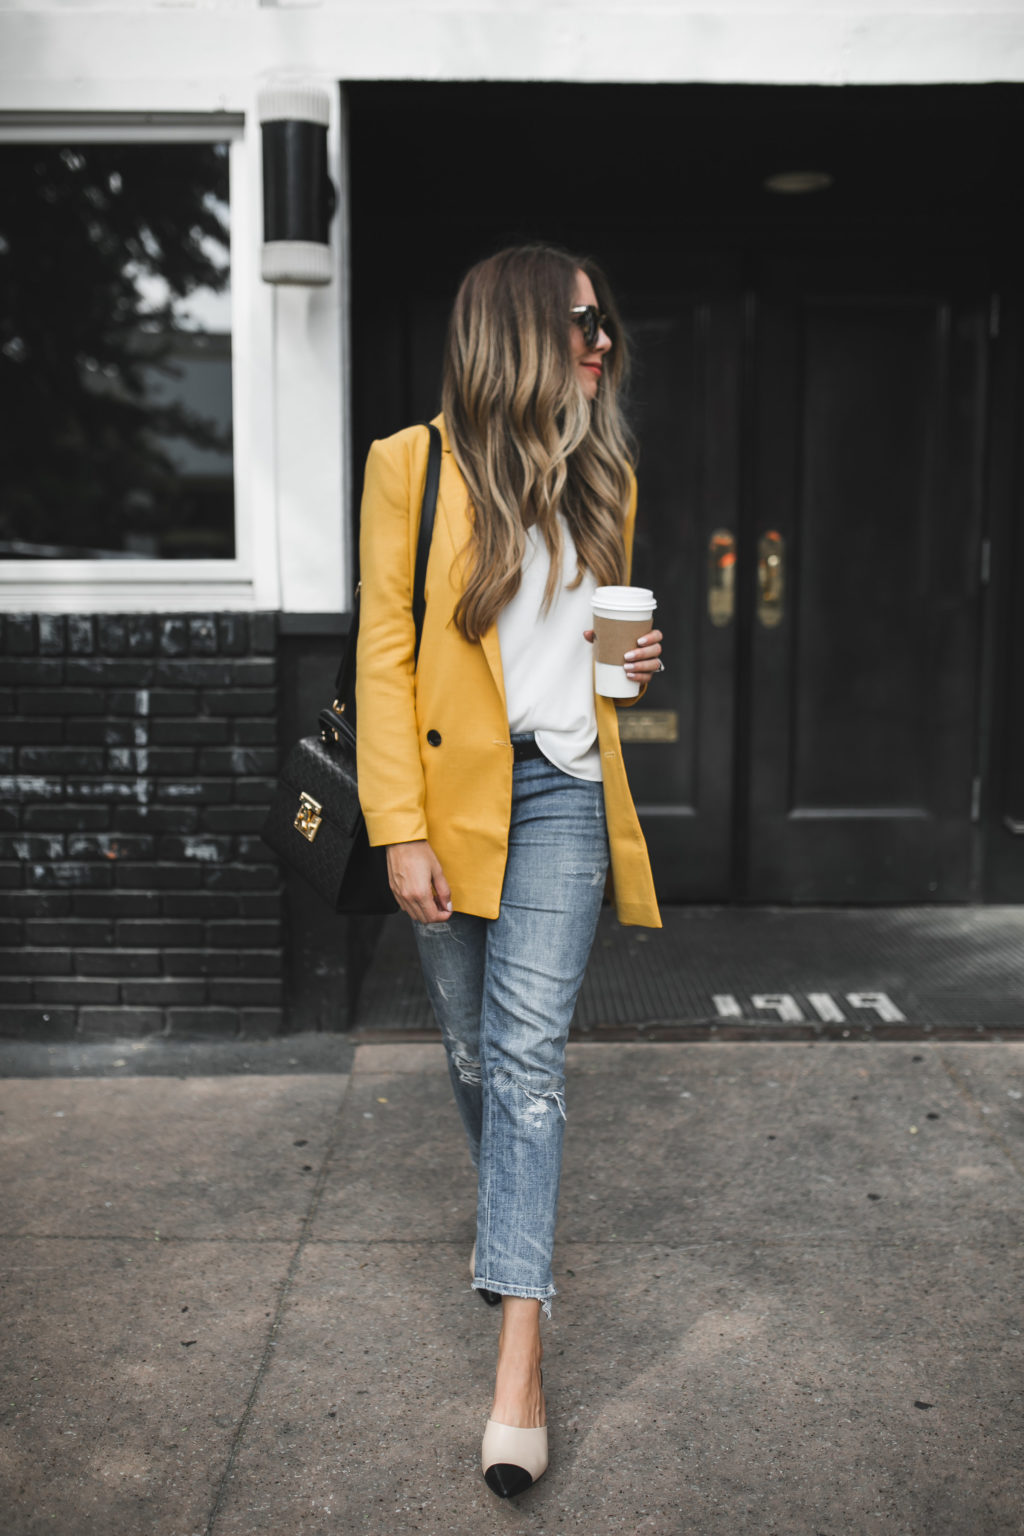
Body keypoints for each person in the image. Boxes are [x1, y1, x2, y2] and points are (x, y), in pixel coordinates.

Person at [355, 243, 663, 1498]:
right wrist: (398, 826)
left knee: (528, 1060)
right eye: (581, 320)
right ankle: (517, 1237)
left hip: (565, 796)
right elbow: (383, 650)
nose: (602, 338)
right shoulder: (409, 468)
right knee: (476, 1054)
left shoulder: (607, 475)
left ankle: (517, 1363)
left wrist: (631, 679)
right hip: (447, 801)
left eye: (604, 321)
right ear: (517, 329)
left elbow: (599, 666)